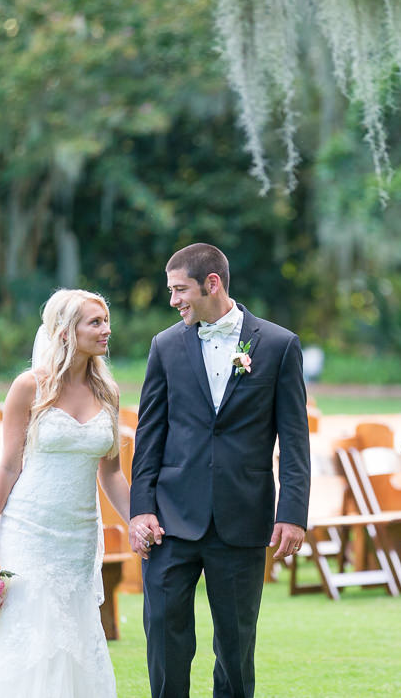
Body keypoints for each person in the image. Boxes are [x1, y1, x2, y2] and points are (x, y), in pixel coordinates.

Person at [129, 243, 311, 698]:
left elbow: (294, 439)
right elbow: (149, 433)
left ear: (212, 283)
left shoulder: (278, 345)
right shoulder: (165, 346)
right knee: (164, 642)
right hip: (170, 522)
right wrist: (140, 510)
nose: (173, 301)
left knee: (235, 648)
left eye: (179, 289)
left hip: (242, 519)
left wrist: (292, 512)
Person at [0, 289, 133, 697]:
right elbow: (8, 464)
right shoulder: (29, 387)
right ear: (65, 330)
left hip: (79, 533)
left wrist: (136, 523)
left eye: (106, 320)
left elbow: (111, 474)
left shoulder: (107, 392)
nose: (107, 329)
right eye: (95, 322)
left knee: (76, 628)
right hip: (30, 528)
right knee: (32, 627)